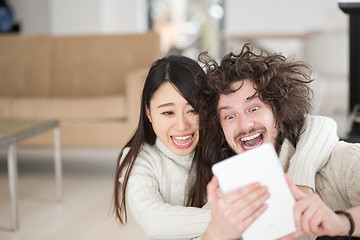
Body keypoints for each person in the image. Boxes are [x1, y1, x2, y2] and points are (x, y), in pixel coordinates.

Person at [113, 54, 339, 239]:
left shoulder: (222, 141)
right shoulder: (138, 160)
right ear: (148, 113)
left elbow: (320, 125)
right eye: (167, 112)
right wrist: (239, 217)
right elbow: (155, 221)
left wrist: (301, 182)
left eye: (193, 110)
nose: (182, 126)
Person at [190, 44, 360, 239]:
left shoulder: (341, 162)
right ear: (220, 130)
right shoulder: (225, 205)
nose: (244, 125)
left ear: (279, 114)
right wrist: (214, 235)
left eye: (253, 108)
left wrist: (342, 223)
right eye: (229, 116)